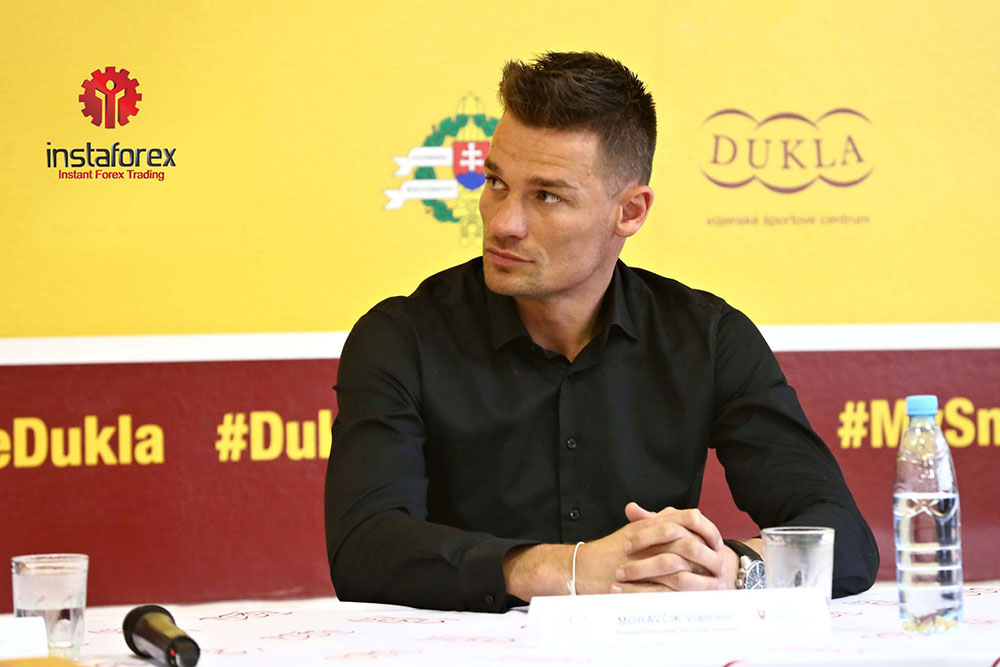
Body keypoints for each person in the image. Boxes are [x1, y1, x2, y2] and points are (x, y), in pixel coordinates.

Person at [325, 51, 878, 612]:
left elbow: (845, 539)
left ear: (630, 212)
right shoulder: (399, 338)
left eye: (547, 196)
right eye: (496, 182)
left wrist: (734, 569)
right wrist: (566, 569)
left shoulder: (707, 337)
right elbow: (365, 549)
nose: (503, 222)